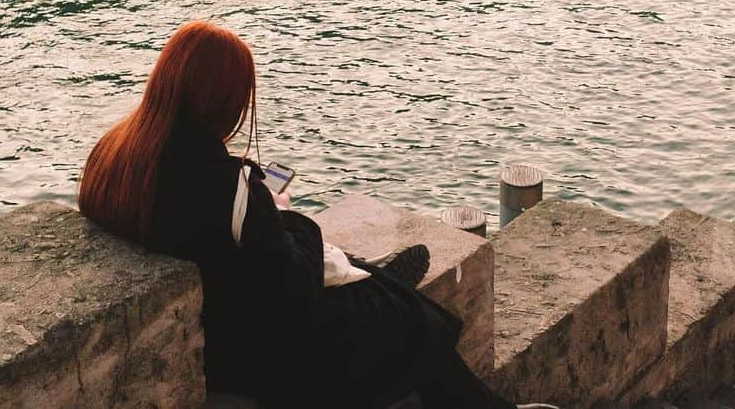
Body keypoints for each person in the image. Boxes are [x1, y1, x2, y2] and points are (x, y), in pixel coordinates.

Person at [78, 22, 554, 409]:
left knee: (372, 288)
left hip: (222, 314)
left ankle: (377, 281)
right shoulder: (230, 188)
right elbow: (295, 295)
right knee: (415, 325)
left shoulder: (114, 153)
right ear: (224, 102)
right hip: (258, 350)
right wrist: (283, 214)